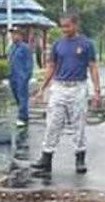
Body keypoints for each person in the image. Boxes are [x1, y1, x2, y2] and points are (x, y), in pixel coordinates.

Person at [31, 11, 101, 175]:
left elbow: (93, 67)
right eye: (62, 26)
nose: (64, 29)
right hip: (59, 87)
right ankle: (46, 158)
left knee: (78, 125)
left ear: (75, 24)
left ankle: (80, 158)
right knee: (53, 123)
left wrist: (97, 90)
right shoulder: (57, 44)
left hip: (77, 87)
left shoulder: (86, 44)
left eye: (67, 26)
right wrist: (42, 88)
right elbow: (51, 67)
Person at [7, 26, 33, 128]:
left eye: (16, 34)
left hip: (21, 76)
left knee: (23, 97)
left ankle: (22, 117)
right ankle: (23, 114)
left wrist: (27, 76)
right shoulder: (11, 47)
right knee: (16, 97)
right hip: (12, 75)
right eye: (12, 34)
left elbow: (29, 63)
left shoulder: (25, 47)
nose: (14, 36)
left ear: (21, 35)